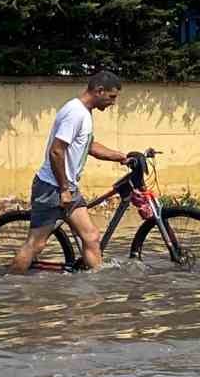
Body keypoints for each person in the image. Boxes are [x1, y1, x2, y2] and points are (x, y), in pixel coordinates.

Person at [11, 71, 131, 273]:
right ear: (99, 90)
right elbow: (57, 151)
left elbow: (88, 145)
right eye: (111, 97)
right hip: (52, 188)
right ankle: (10, 286)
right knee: (36, 245)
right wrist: (64, 189)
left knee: (91, 237)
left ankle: (95, 290)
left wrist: (121, 156)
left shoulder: (84, 113)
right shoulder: (75, 113)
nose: (113, 103)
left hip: (67, 188)